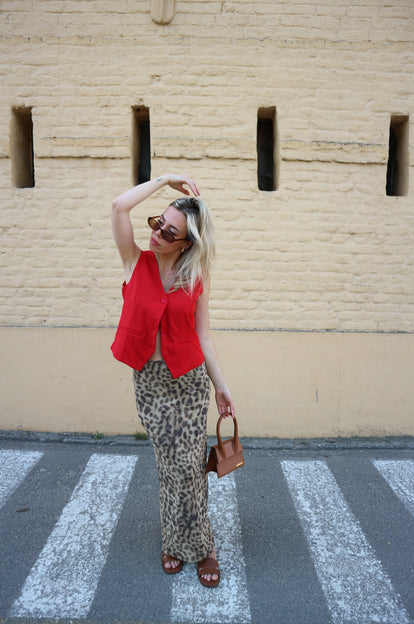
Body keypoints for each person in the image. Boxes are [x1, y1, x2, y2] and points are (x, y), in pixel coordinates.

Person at [110, 173, 235, 588]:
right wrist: (164, 181)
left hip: (189, 382)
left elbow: (203, 337)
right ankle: (175, 540)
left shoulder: (195, 278)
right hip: (150, 382)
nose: (158, 234)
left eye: (170, 232)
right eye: (158, 224)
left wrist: (220, 386)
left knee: (189, 466)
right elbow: (119, 206)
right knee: (171, 466)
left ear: (187, 242)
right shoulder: (135, 261)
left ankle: (201, 548)